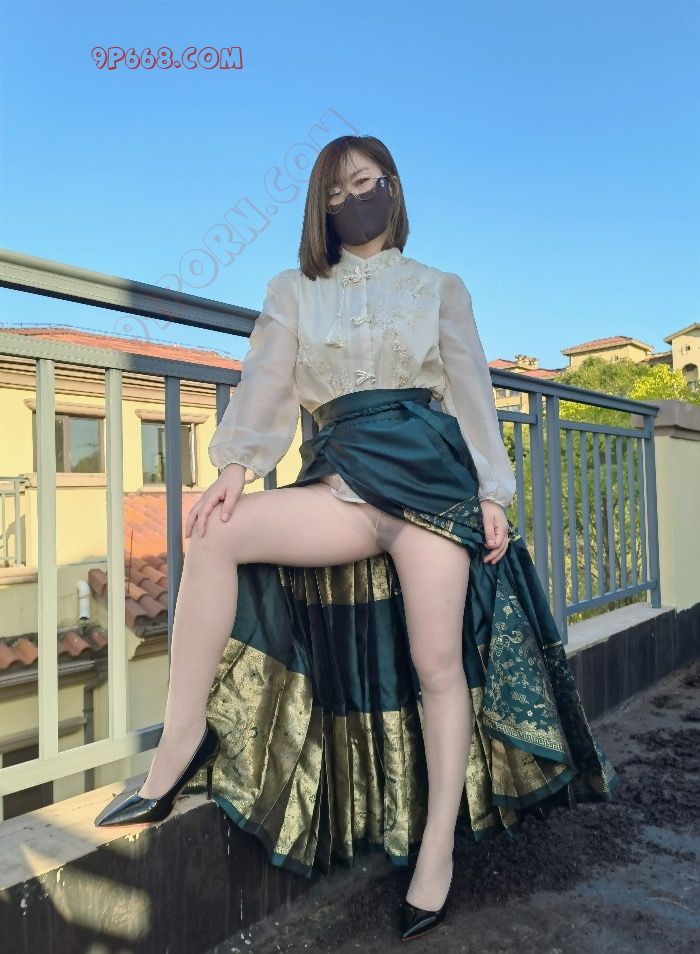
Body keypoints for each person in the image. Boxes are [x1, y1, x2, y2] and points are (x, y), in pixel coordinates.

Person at [95, 135, 619, 941]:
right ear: (320, 206)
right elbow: (267, 382)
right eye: (336, 192)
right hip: (341, 481)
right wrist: (236, 466)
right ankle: (181, 742)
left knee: (438, 668)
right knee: (218, 533)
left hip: (434, 488)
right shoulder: (291, 290)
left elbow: (470, 391)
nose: (353, 200)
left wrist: (494, 493)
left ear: (394, 189)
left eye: (367, 183)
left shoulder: (441, 287)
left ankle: (436, 851)